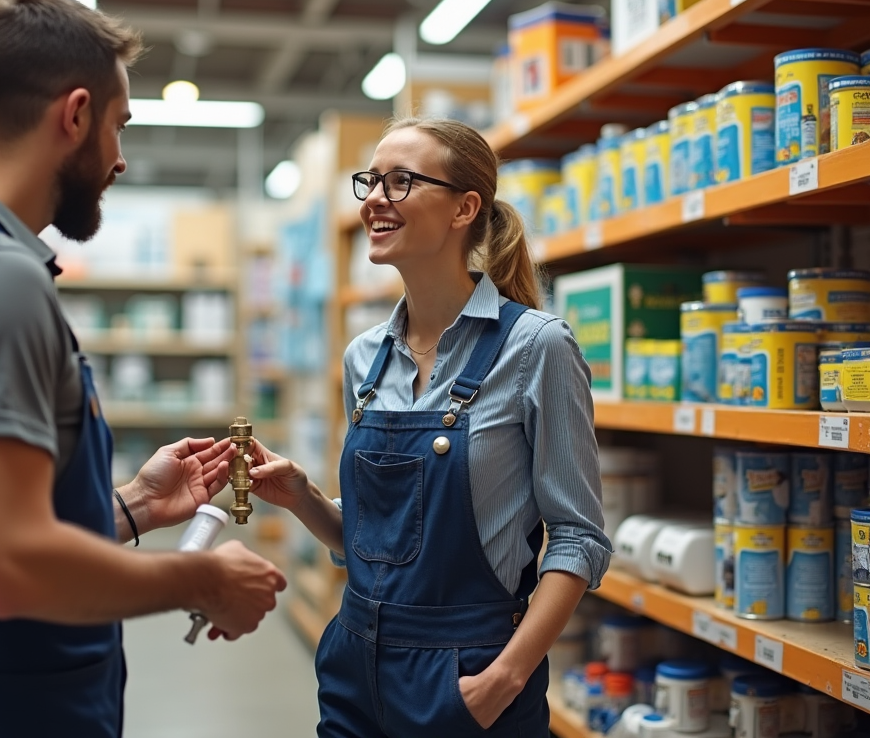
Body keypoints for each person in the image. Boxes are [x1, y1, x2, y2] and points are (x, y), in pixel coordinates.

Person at [0, 0, 286, 738]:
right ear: (75, 114)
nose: (119, 158)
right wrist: (205, 577)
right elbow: (11, 566)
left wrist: (133, 509)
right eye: (118, 126)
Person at [246, 116, 611, 736]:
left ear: (464, 207)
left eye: (401, 181)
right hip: (353, 667)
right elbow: (376, 544)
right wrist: (301, 498)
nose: (375, 201)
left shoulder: (536, 348)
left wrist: (506, 679)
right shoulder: (364, 356)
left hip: (469, 675)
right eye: (371, 182)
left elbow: (577, 537)